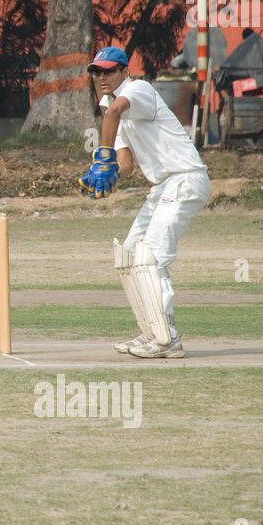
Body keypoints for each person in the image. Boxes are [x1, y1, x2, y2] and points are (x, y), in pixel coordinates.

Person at [78, 47, 211, 359]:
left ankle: (169, 339)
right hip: (163, 186)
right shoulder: (110, 109)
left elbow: (114, 116)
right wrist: (107, 175)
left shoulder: (137, 90)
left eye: (109, 71)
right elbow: (124, 164)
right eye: (97, 72)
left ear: (124, 72)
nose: (102, 77)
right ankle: (152, 330)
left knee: (150, 258)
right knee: (129, 254)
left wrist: (103, 156)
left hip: (184, 177)